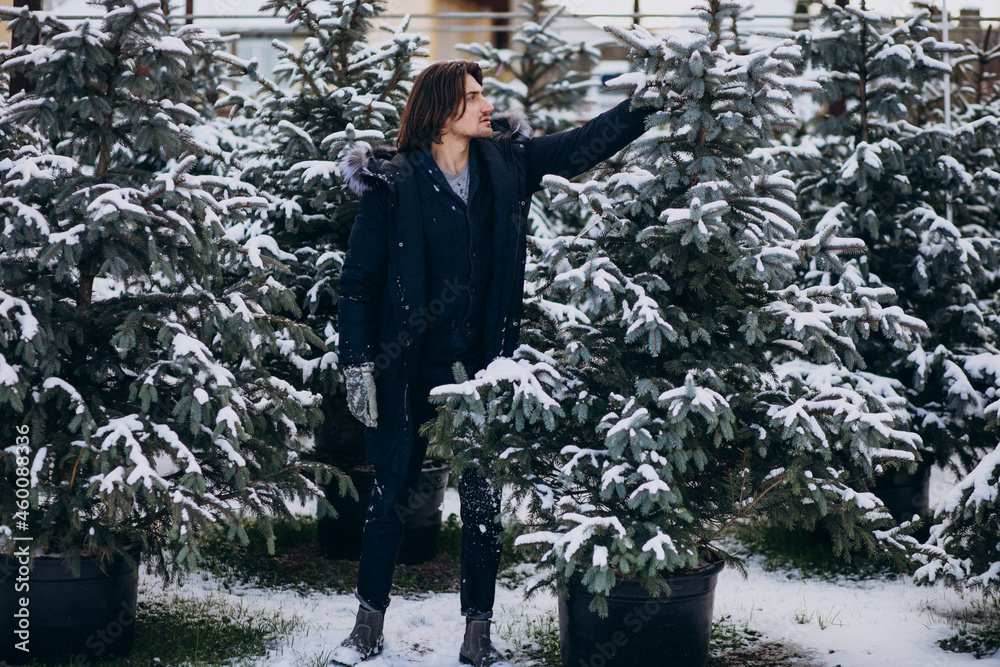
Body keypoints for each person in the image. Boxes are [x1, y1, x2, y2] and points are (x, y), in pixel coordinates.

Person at [332, 60, 652, 667]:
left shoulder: (507, 164)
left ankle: (478, 632)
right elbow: (359, 284)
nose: (487, 106)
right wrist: (358, 365)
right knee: (392, 495)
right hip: (410, 368)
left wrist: (643, 107)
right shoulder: (393, 183)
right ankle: (366, 626)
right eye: (474, 97)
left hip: (485, 366)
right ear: (441, 111)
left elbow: (581, 147)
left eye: (484, 95)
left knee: (483, 500)